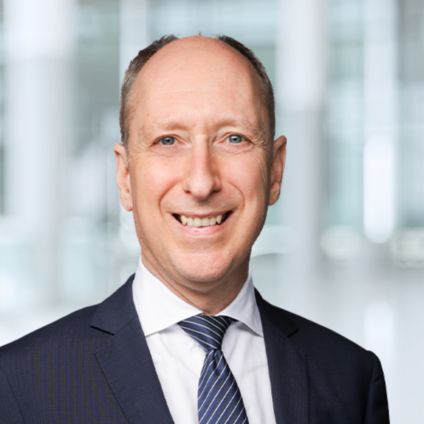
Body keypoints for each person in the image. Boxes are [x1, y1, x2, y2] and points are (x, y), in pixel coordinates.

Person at [0, 35, 389, 424]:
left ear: (275, 170)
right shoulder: (18, 386)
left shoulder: (350, 379)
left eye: (233, 138)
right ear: (125, 176)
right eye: (168, 141)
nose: (202, 183)